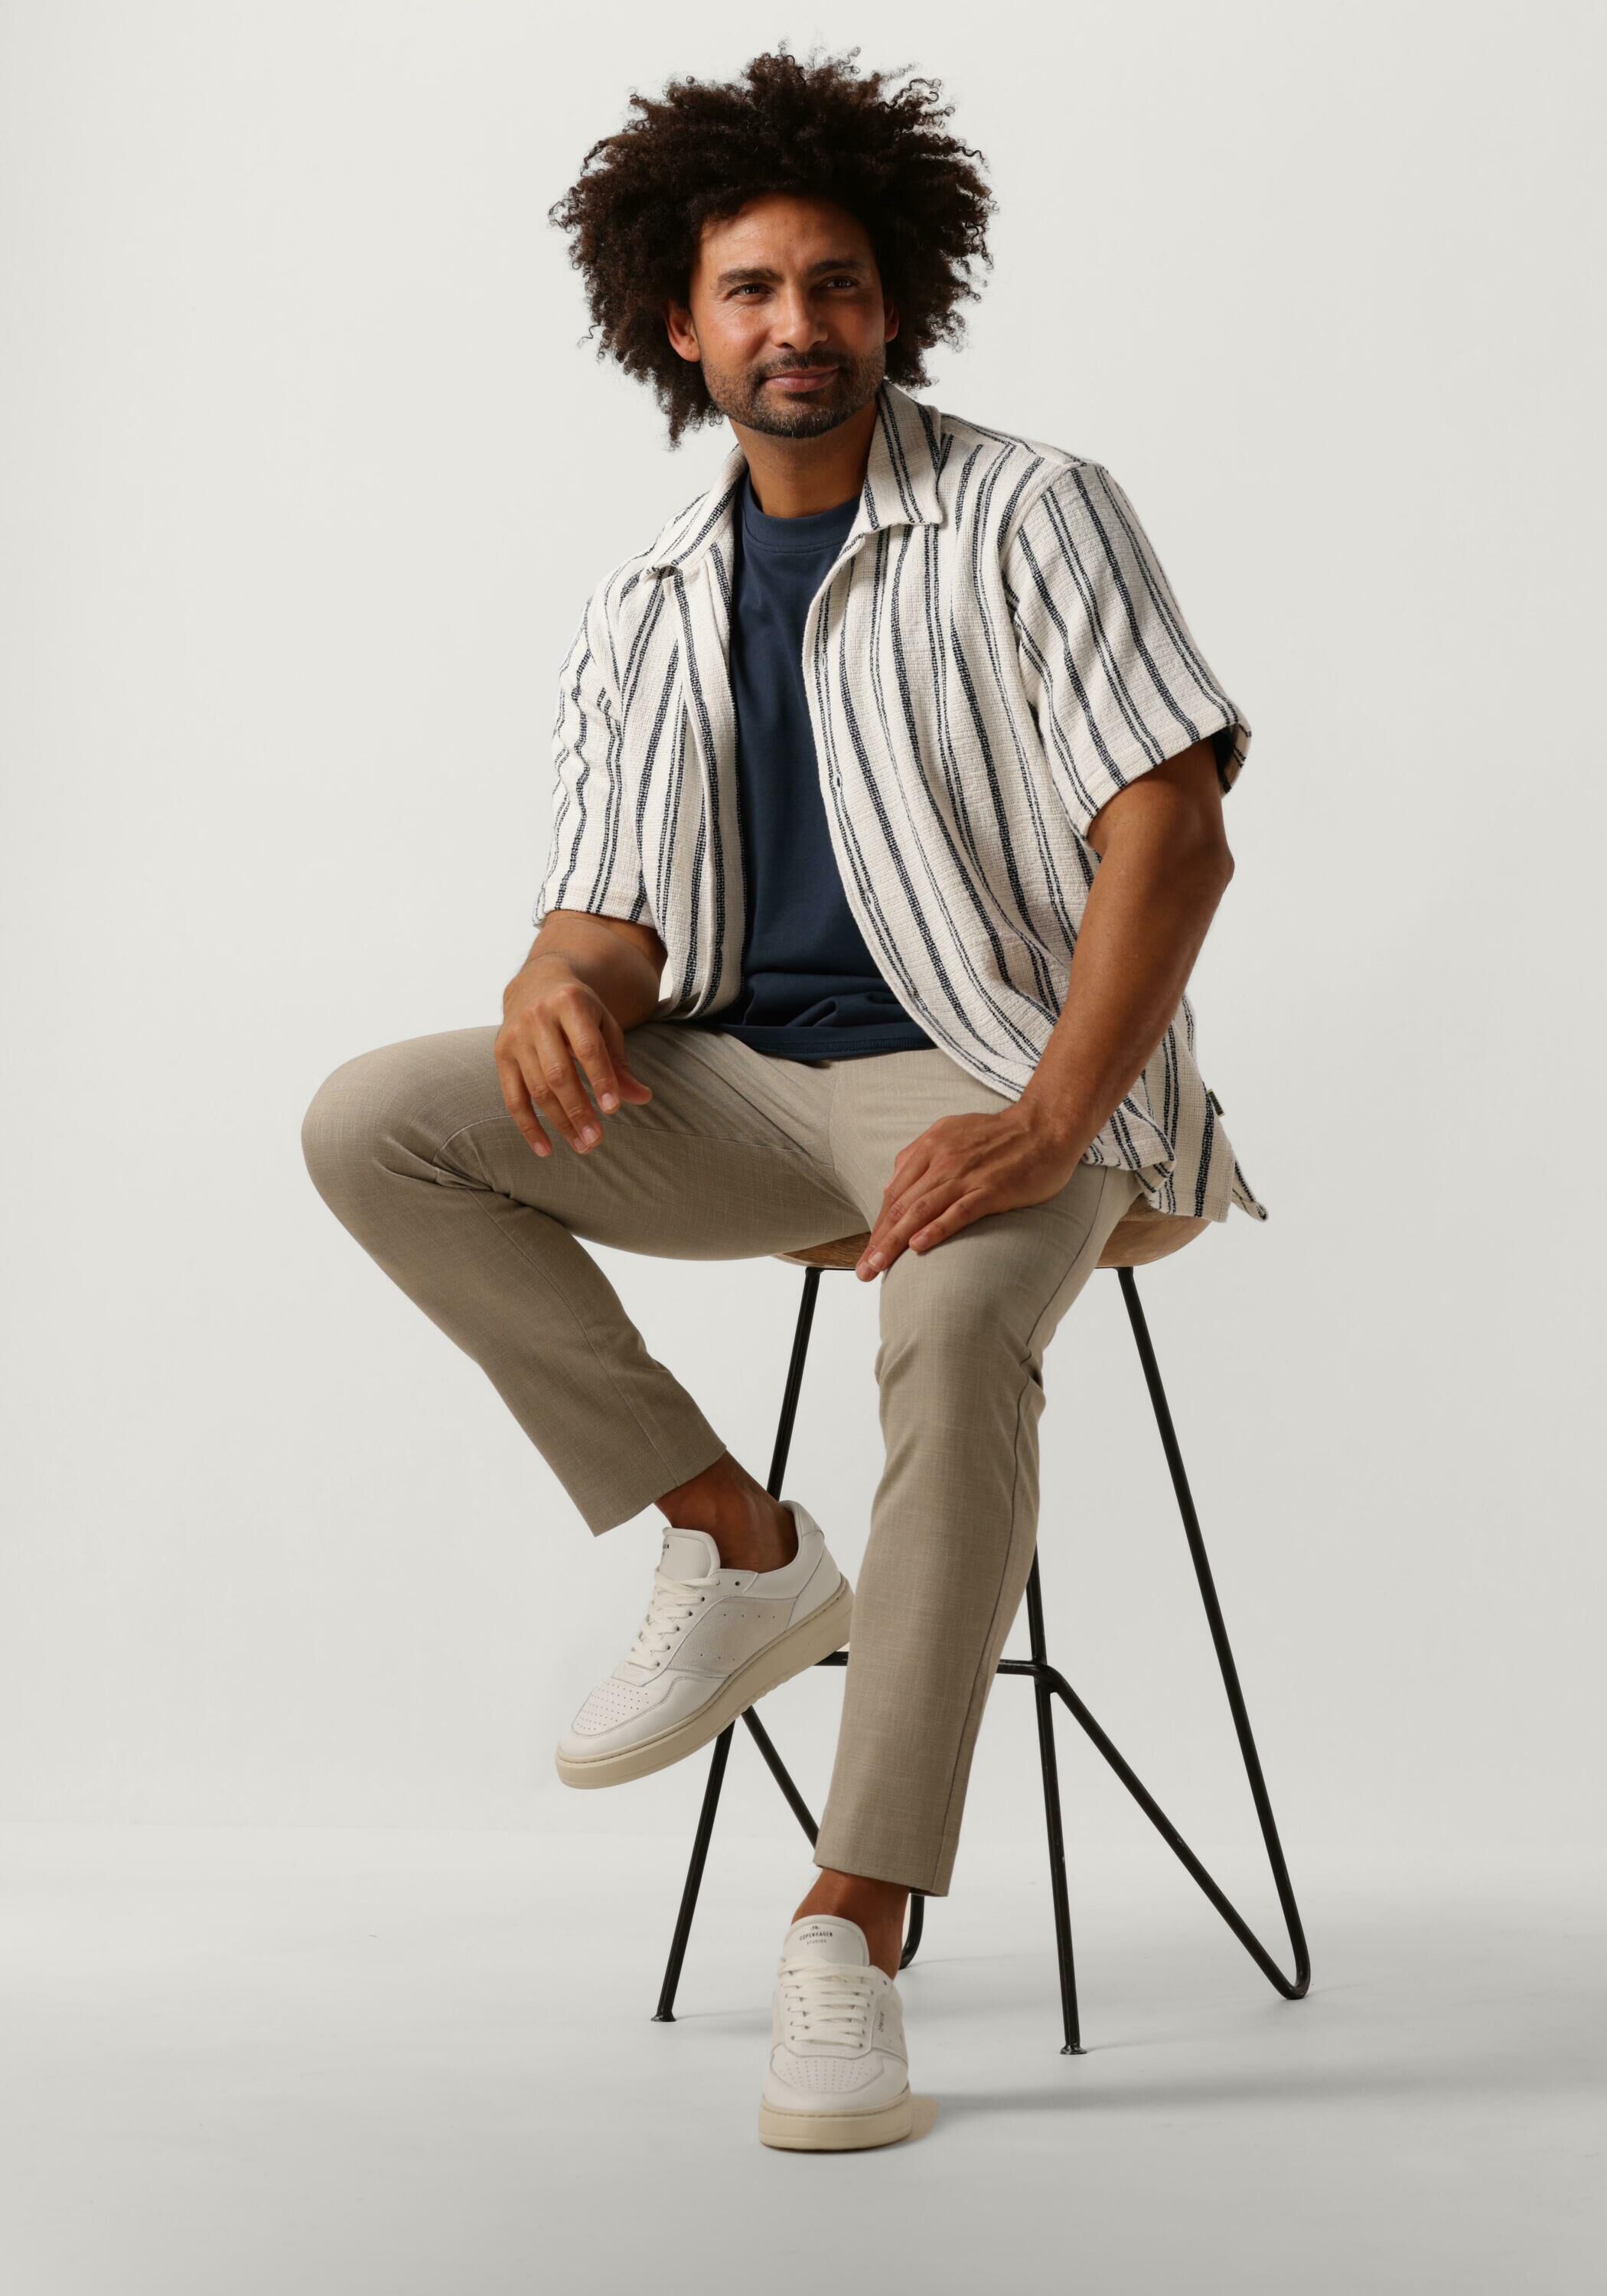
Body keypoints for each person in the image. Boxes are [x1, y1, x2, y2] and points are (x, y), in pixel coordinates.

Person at [300, 45, 1267, 2154]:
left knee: (954, 1327)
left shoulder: (1030, 512)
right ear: (678, 320)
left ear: (894, 299)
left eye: (835, 284)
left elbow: (1173, 837)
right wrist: (551, 988)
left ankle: (855, 1918)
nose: (797, 325)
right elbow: (608, 924)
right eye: (751, 289)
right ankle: (733, 1540)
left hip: (1004, 1074)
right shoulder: (644, 599)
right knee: (375, 1118)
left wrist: (1051, 1121)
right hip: (747, 1087)